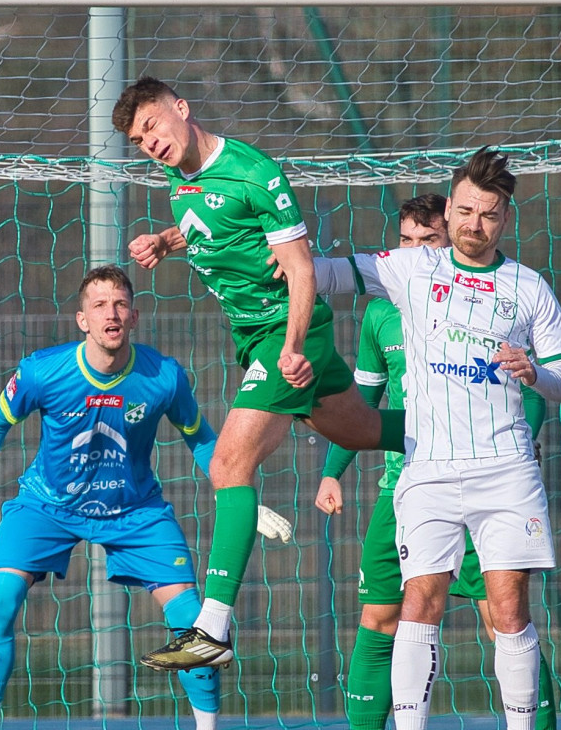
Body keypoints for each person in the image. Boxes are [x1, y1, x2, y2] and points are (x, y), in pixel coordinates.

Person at [112, 76, 406, 672]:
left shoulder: (256, 173)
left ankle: (211, 628)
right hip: (253, 338)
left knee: (227, 464)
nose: (150, 144)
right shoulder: (179, 181)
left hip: (286, 332)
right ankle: (464, 427)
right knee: (360, 431)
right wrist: (167, 241)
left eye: (153, 127)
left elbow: (300, 272)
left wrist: (294, 346)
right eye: (139, 141)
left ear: (181, 109)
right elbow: (211, 225)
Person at [0, 265, 294, 730]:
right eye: (99, 305)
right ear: (83, 320)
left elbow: (201, 439)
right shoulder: (42, 370)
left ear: (134, 316)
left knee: (196, 625)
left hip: (135, 511)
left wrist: (239, 496)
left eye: (119, 304)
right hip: (47, 505)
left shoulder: (164, 377)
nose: (110, 314)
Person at [311, 149, 561, 730]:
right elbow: (329, 272)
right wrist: (273, 256)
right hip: (427, 469)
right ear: (450, 208)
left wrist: (538, 373)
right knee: (417, 608)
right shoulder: (410, 270)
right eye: (463, 211)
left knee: (508, 612)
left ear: (504, 217)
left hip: (506, 471)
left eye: (486, 214)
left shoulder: (529, 288)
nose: (472, 224)